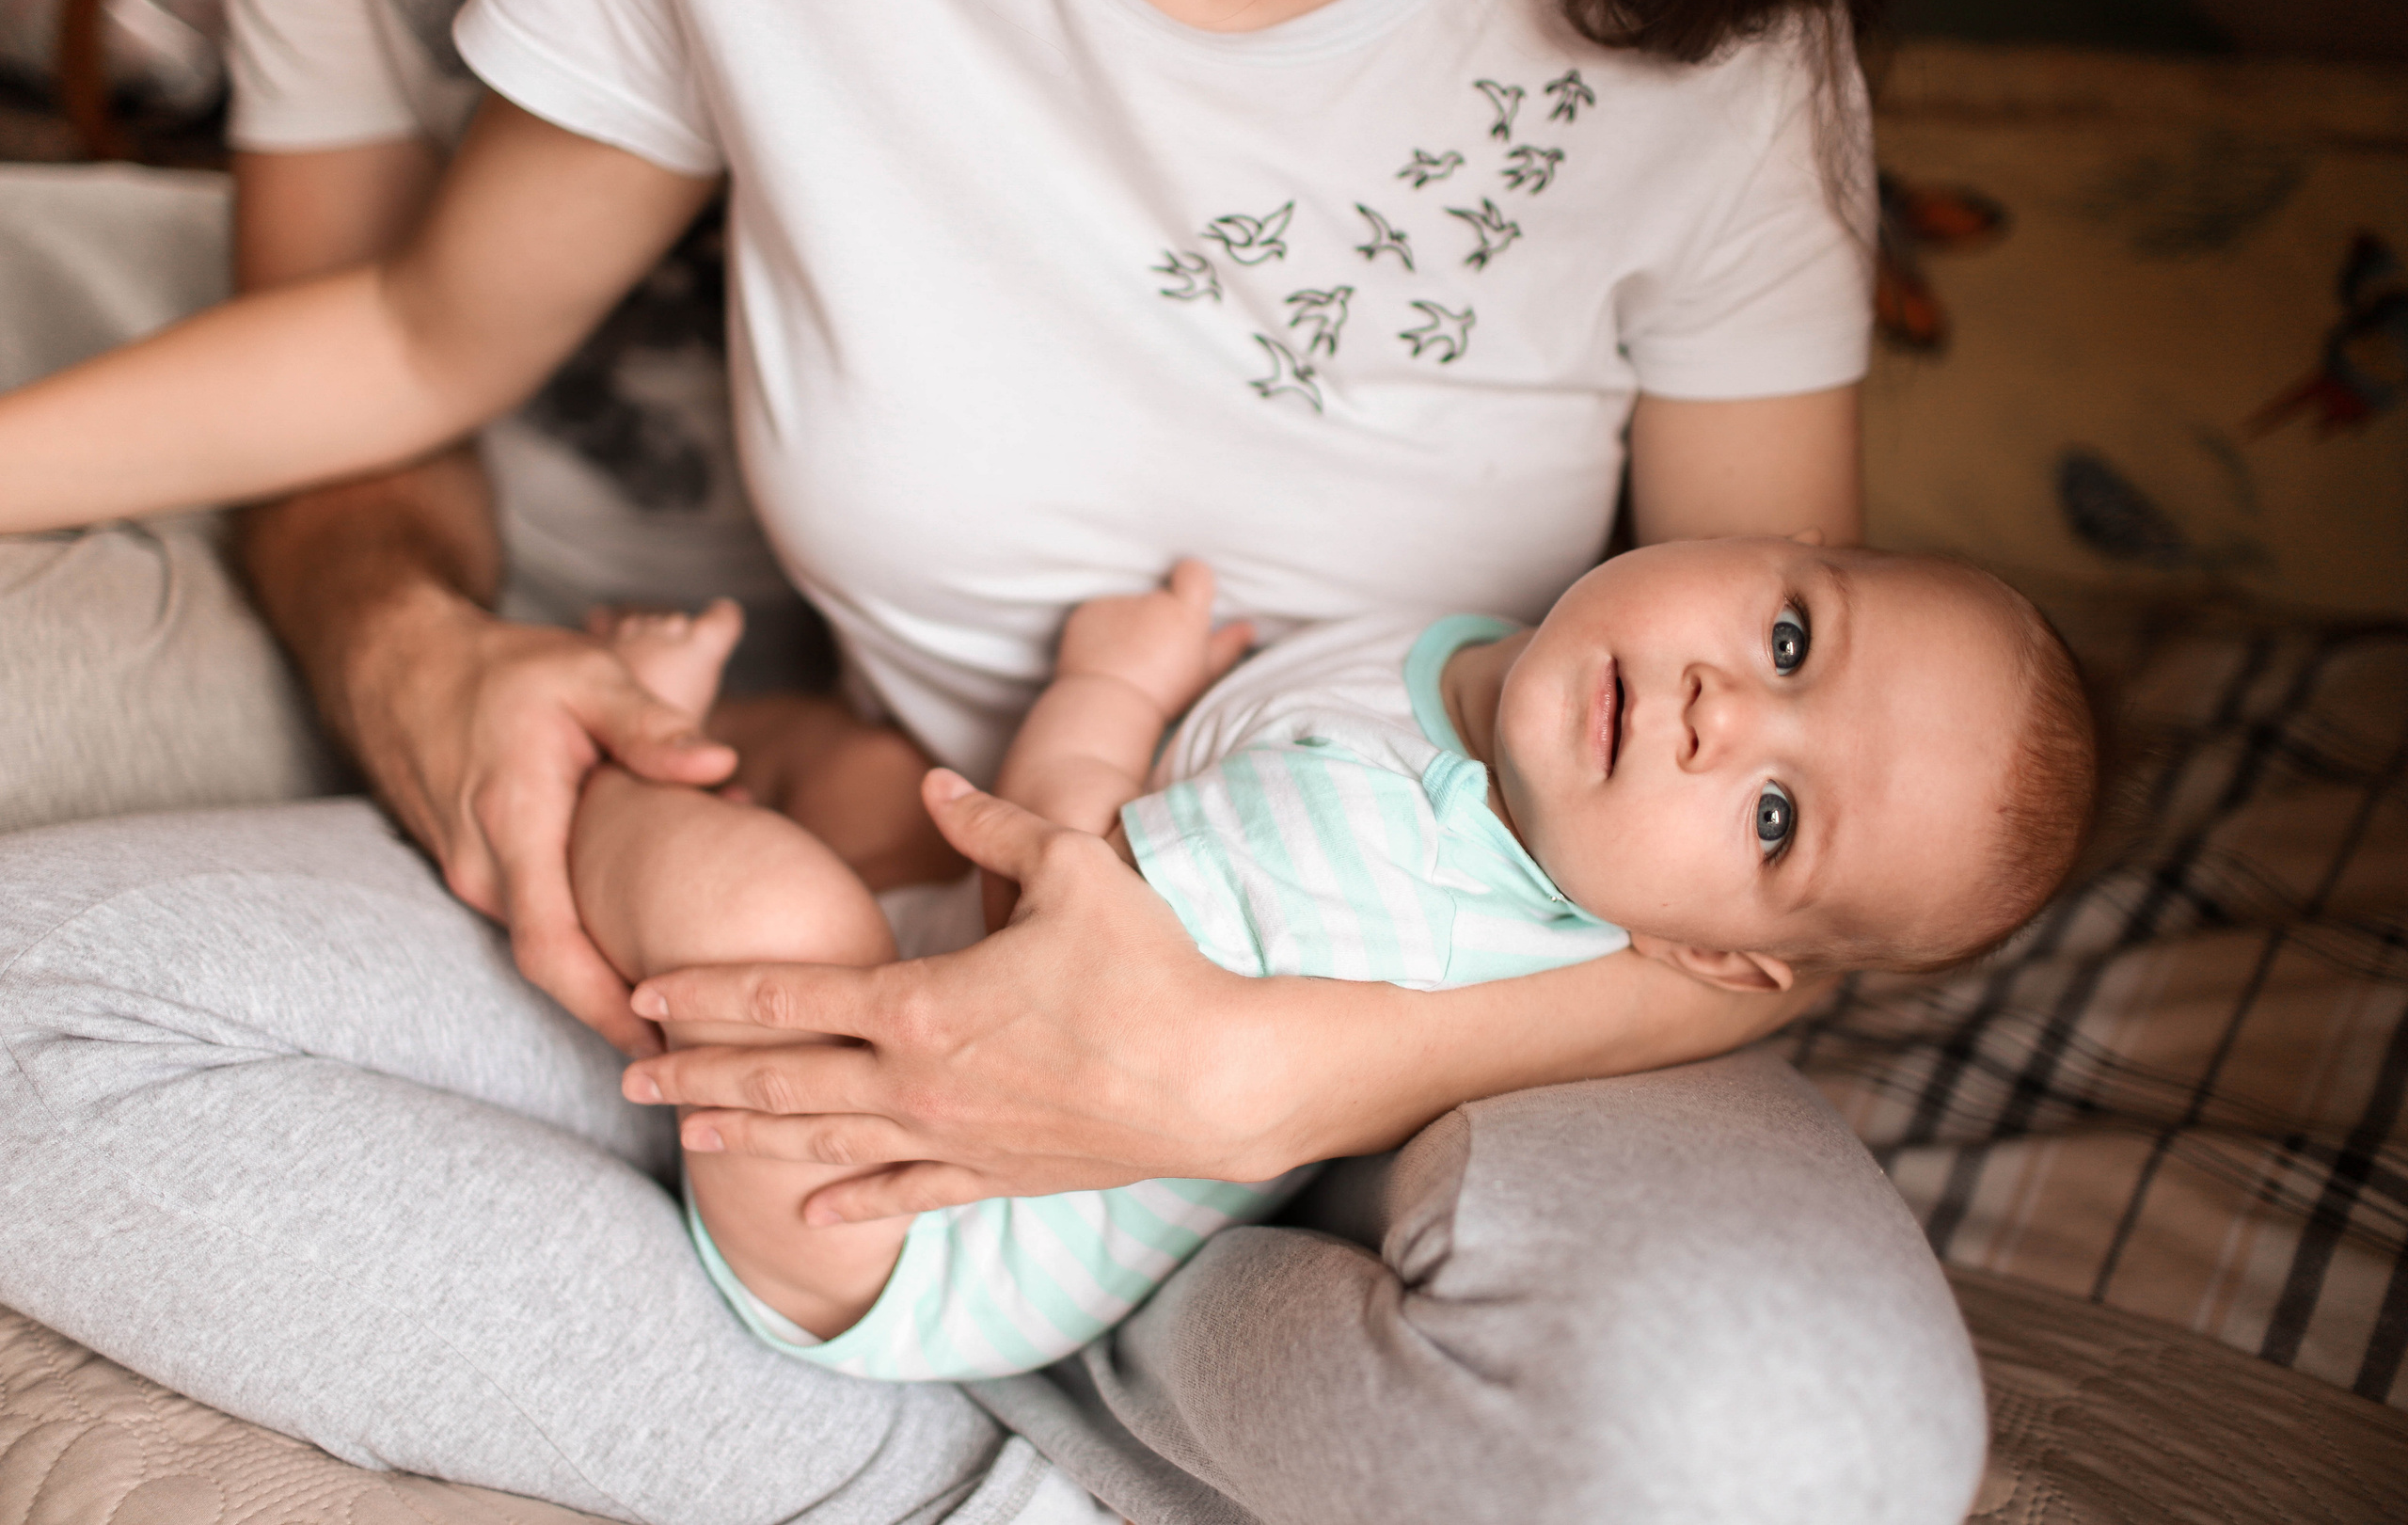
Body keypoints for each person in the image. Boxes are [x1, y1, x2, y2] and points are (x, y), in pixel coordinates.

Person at [0, 0, 1995, 1522]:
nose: (1738, 695)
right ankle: (963, 1462)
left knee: (1792, 1457)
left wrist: (1258, 1076)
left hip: (1513, 1015)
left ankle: (1078, 1355)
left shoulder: (1719, 6)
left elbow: (1791, 889)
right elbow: (416, 330)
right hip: (921, 934)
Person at [578, 545, 2096, 1382]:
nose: (1721, 713)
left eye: (1774, 817)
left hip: (898, 1227)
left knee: (765, 903)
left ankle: (610, 761)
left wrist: (1112, 688)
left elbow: (1035, 886)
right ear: (1773, 551)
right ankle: (701, 746)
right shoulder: (1486, 661)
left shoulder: (1390, 880)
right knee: (856, 775)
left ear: (1707, 954)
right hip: (936, 1036)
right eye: (1790, 640)